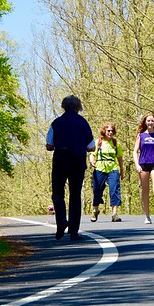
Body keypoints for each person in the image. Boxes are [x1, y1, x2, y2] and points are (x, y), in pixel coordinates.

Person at [46, 95, 95, 241]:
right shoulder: (83, 123)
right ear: (78, 107)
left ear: (63, 106)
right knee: (75, 194)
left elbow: (49, 145)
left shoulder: (56, 122)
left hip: (60, 157)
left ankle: (61, 220)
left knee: (57, 193)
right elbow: (91, 146)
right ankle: (74, 231)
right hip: (77, 160)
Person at [89, 122, 124, 223]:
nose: (110, 132)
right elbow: (92, 154)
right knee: (97, 189)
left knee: (114, 190)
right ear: (104, 131)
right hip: (100, 168)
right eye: (108, 130)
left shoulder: (116, 143)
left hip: (113, 168)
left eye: (112, 131)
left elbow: (120, 157)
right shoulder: (98, 142)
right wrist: (92, 161)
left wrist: (121, 170)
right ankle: (95, 210)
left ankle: (114, 214)